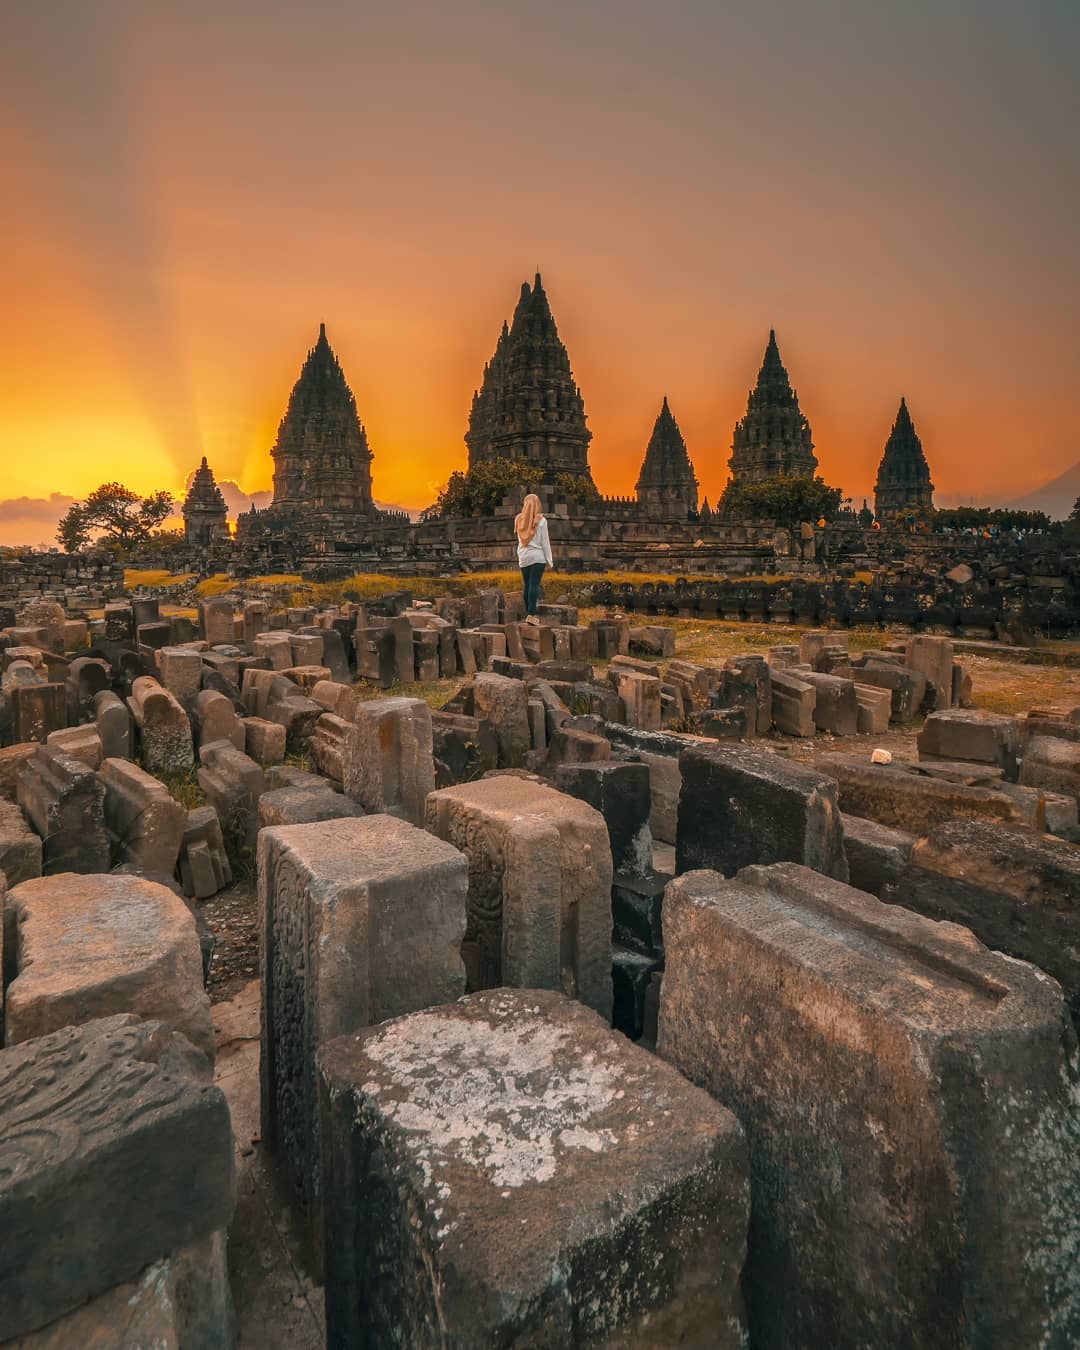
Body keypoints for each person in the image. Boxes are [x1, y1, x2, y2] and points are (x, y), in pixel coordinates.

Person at [515, 492, 552, 621]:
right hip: (538, 557)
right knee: (534, 585)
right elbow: (545, 542)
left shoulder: (519, 520)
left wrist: (520, 557)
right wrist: (549, 561)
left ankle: (528, 613)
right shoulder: (541, 521)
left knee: (527, 585)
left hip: (524, 557)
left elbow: (519, 541)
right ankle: (531, 614)